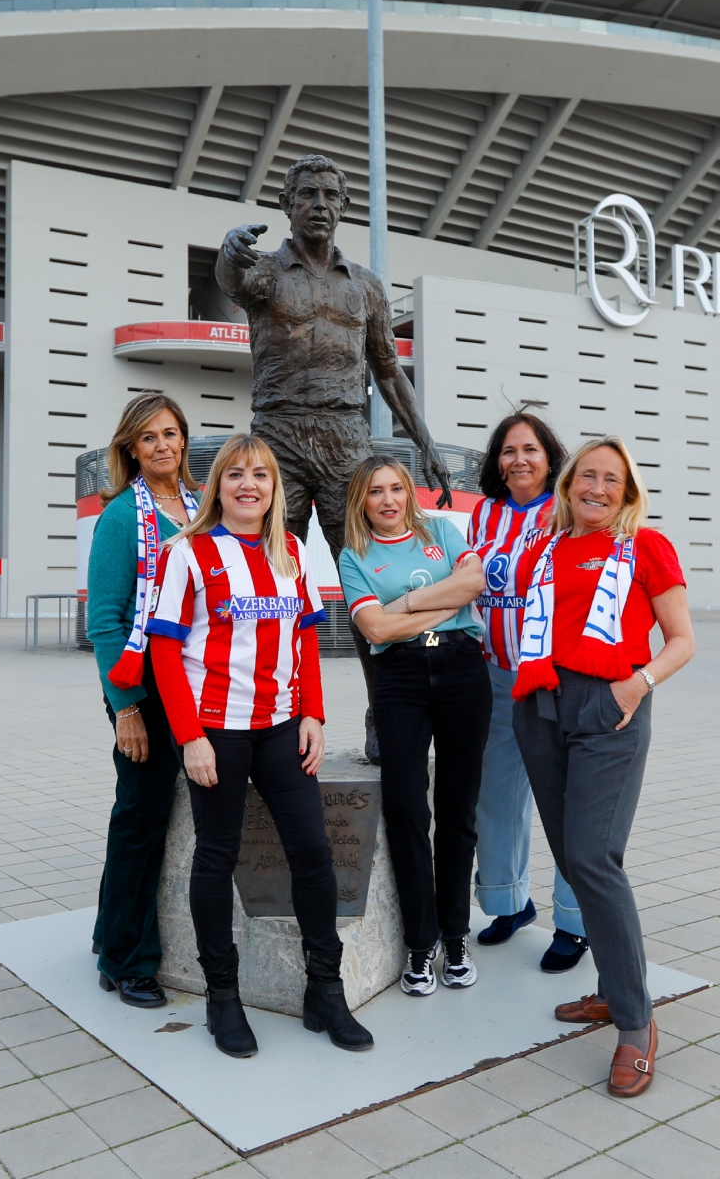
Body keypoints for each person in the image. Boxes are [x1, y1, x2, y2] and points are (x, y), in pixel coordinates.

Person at [216, 153, 456, 762]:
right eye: (308, 195)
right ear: (287, 206)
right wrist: (227, 250)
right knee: (268, 577)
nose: (320, 204)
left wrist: (424, 442)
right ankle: (267, 717)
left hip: (348, 437)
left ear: (343, 207)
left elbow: (388, 370)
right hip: (279, 435)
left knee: (372, 581)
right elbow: (231, 280)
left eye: (330, 194)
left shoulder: (368, 286)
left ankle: (386, 719)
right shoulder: (267, 272)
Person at [146, 434, 374, 1058]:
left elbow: (305, 642)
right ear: (217, 485)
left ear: (275, 490)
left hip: (280, 727)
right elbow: (164, 649)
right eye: (236, 475)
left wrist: (314, 716)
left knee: (313, 853)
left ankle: (323, 992)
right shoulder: (188, 553)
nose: (249, 485)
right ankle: (224, 999)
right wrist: (189, 735)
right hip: (214, 732)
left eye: (262, 476)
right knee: (216, 858)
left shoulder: (292, 551)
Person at [511, 436, 696, 1097]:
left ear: (626, 491)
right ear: (567, 486)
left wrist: (637, 683)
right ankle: (615, 992)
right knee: (575, 858)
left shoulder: (646, 546)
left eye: (609, 480)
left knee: (594, 858)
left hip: (608, 708)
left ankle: (636, 1023)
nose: (595, 487)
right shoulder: (543, 548)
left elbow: (683, 640)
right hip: (539, 709)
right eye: (585, 476)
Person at [337, 455, 489, 996]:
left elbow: (471, 583)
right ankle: (420, 945)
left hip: (462, 670)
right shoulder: (354, 553)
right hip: (398, 677)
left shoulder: (444, 531)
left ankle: (455, 937)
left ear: (408, 493)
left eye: (396, 488)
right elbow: (374, 626)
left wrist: (405, 606)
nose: (387, 500)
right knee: (404, 809)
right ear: (362, 501)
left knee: (457, 811)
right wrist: (438, 603)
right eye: (375, 491)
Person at [85, 393, 199, 1009]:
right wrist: (125, 707)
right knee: (141, 817)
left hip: (198, 680)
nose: (163, 445)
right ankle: (127, 960)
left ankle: (109, 932)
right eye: (150, 437)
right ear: (132, 447)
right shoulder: (121, 518)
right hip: (143, 689)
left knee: (157, 815)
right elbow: (104, 620)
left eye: (172, 434)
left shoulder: (202, 503)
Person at [467, 413, 589, 971]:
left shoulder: (568, 512)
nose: (519, 460)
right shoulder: (483, 514)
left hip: (553, 678)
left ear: (550, 457)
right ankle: (508, 902)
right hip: (493, 678)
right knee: (496, 796)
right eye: (508, 450)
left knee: (564, 801)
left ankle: (574, 920)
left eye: (531, 449)